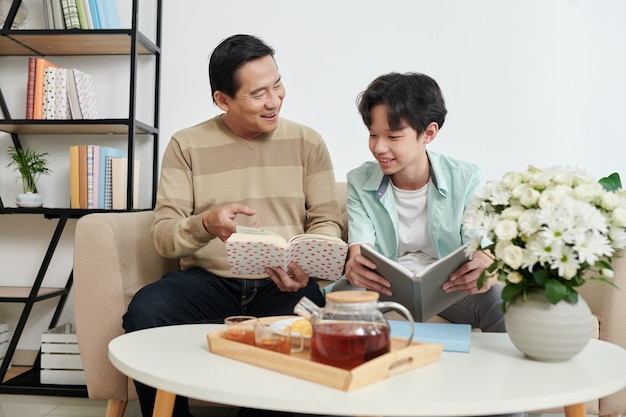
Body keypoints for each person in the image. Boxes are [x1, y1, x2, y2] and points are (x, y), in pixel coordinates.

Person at [122, 34, 343, 417]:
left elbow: (326, 221)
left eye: (277, 85)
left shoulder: (309, 143)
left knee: (308, 329)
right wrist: (206, 223)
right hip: (208, 282)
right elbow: (162, 235)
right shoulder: (186, 145)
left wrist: (307, 265)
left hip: (283, 283)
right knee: (146, 312)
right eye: (258, 94)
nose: (274, 100)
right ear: (222, 99)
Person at [339, 72, 506, 332]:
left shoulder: (467, 178)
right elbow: (359, 251)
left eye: (393, 137)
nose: (379, 148)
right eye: (373, 135)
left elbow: (481, 245)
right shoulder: (360, 180)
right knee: (341, 300)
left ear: (428, 132)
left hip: (448, 289)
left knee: (498, 300)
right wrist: (354, 267)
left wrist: (485, 265)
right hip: (384, 289)